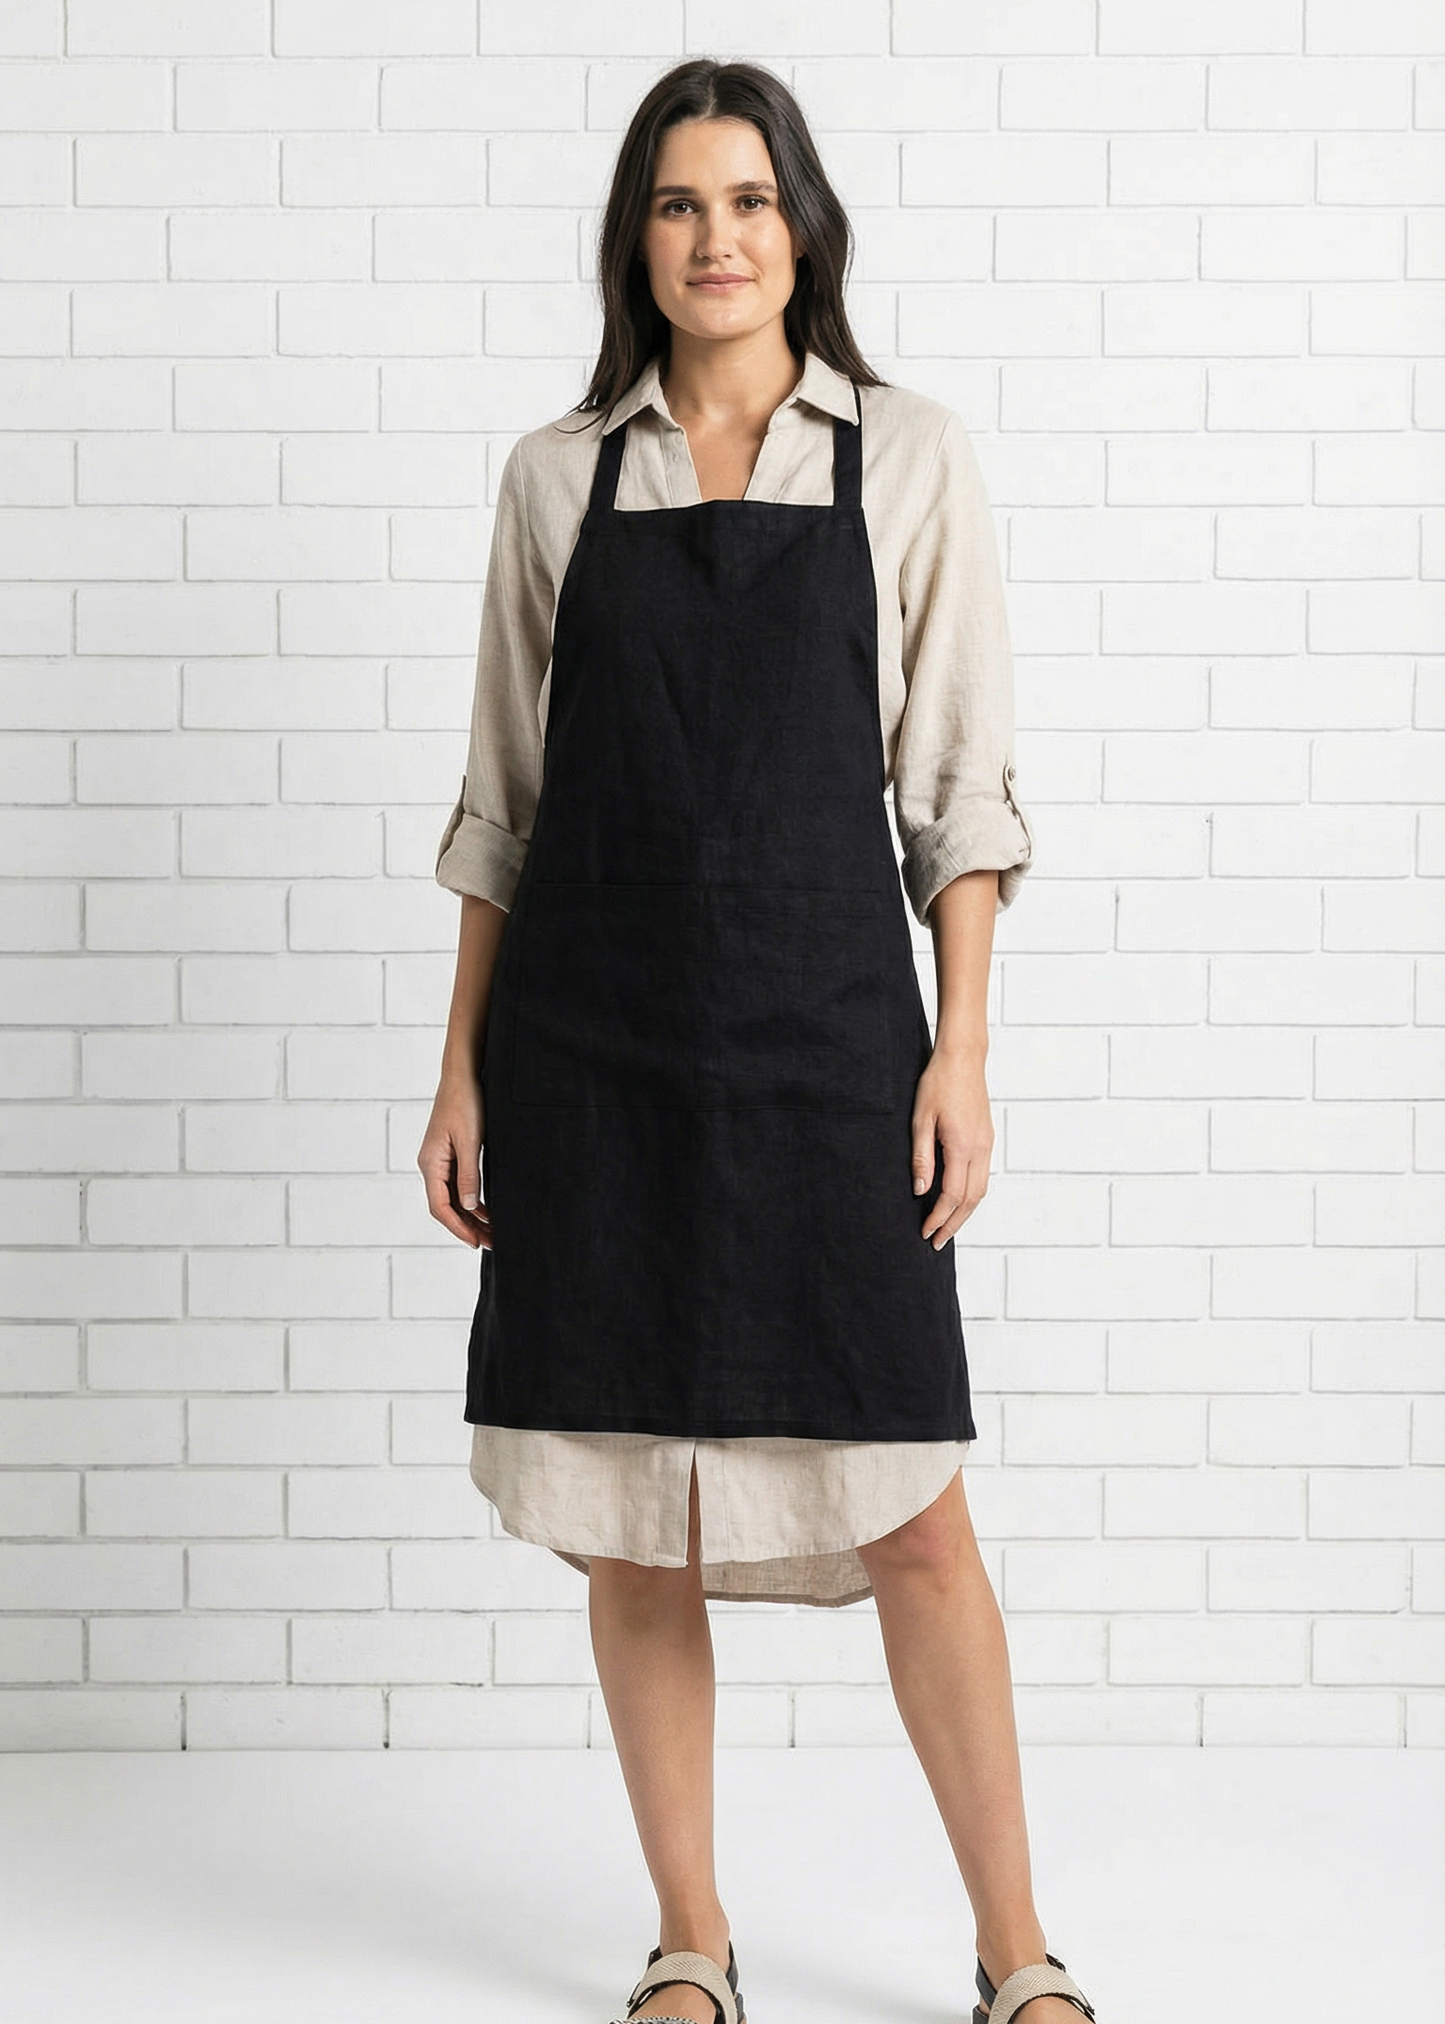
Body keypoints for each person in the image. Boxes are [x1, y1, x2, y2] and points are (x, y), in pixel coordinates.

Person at [418, 56, 1096, 2024]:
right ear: (634, 243)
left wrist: (956, 1050)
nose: (713, 237)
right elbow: (502, 809)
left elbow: (957, 796)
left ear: (800, 227)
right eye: (674, 203)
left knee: (914, 1520)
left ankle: (1013, 1948)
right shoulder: (561, 475)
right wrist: (461, 1068)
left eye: (746, 198)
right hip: (592, 1045)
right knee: (636, 1521)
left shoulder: (904, 454)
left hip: (824, 1038)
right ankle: (689, 1941)